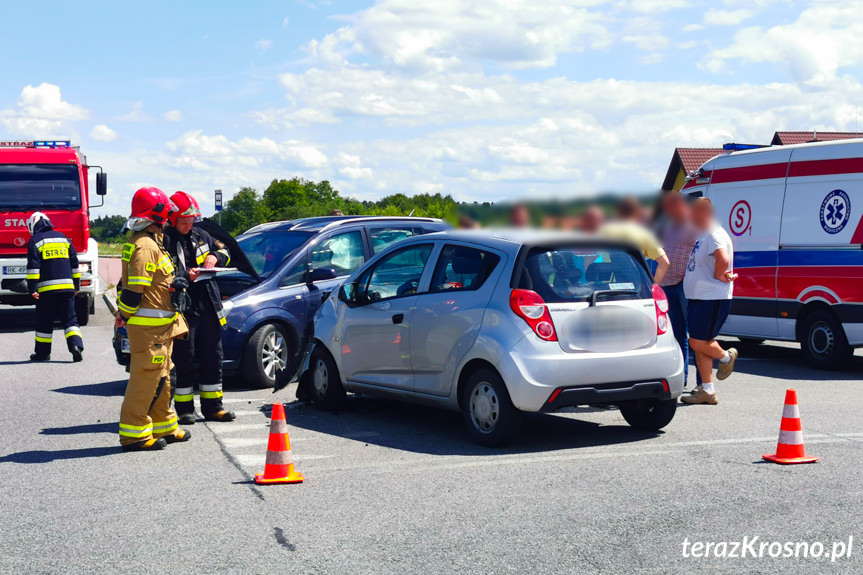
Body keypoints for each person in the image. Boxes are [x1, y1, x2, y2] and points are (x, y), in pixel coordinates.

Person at [115, 187, 191, 451]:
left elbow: (156, 282)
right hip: (149, 330)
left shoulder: (151, 242)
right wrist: (123, 316)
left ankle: (164, 426)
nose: (169, 218)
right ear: (155, 214)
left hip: (161, 327)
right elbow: (134, 292)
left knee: (163, 377)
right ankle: (134, 435)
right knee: (146, 380)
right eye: (166, 213)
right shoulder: (144, 245)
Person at [164, 191, 236, 424]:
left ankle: (214, 407)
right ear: (172, 220)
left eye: (191, 220)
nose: (188, 225)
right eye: (183, 222)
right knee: (184, 358)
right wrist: (186, 275)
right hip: (183, 307)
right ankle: (185, 410)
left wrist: (215, 257)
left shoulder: (202, 234)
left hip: (208, 304)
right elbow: (162, 273)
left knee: (213, 356)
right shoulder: (164, 240)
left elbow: (226, 251)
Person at [681, 198, 738, 405]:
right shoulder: (702, 233)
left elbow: (722, 259)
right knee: (701, 344)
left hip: (712, 297)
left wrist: (719, 274)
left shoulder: (714, 233)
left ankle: (726, 358)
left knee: (697, 342)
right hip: (700, 297)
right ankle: (707, 390)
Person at [25, 212, 84, 362]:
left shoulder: (35, 240)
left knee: (45, 321)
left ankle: (43, 354)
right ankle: (75, 347)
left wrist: (32, 288)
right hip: (67, 288)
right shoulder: (64, 238)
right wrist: (76, 285)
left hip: (47, 291)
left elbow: (33, 268)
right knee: (70, 320)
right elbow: (74, 264)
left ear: (33, 225)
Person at [656, 192, 697, 388]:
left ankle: (702, 384)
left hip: (685, 285)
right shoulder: (667, 228)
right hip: (668, 284)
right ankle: (682, 380)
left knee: (696, 337)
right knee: (678, 335)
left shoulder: (693, 226)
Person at [598, 197, 670, 284]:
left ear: (618, 212)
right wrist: (653, 287)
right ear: (637, 213)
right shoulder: (645, 235)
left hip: (613, 287)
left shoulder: (606, 232)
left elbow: (589, 255)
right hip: (638, 289)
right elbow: (664, 263)